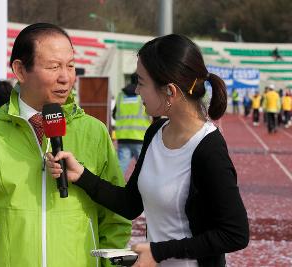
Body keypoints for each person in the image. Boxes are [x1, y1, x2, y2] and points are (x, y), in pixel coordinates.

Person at [47, 34, 249, 267]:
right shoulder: (155, 132)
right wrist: (81, 175)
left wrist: (158, 251)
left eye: (142, 82)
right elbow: (130, 204)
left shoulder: (208, 148)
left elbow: (235, 233)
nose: (137, 91)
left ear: (169, 91)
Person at [0, 23, 131, 267]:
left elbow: (114, 219)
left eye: (70, 65)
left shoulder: (95, 132)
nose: (65, 77)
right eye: (54, 66)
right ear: (20, 70)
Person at [112, 73, 151, 173]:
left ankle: (117, 187)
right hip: (140, 138)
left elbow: (114, 115)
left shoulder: (121, 95)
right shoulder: (143, 95)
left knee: (120, 168)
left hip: (123, 137)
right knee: (145, 168)